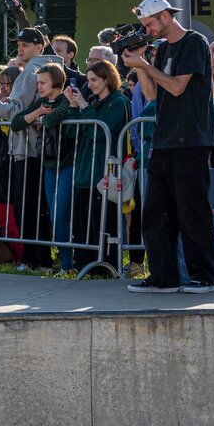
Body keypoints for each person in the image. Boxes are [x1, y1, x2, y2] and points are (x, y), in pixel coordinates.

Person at [121, 0, 214, 293]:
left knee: (192, 210)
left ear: (165, 16)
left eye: (149, 23)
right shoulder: (161, 50)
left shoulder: (195, 42)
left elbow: (177, 87)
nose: (147, 29)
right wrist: (138, 65)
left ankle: (203, 276)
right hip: (164, 139)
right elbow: (152, 95)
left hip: (192, 138)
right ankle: (163, 277)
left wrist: (145, 65)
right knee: (155, 212)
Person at [0, 28, 62, 269]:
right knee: (37, 208)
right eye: (19, 44)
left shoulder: (32, 70)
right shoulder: (48, 67)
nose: (20, 49)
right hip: (37, 149)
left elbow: (15, 110)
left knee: (28, 208)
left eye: (26, 45)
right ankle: (42, 260)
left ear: (39, 47)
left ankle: (34, 260)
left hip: (28, 149)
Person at [63, 59, 130, 270]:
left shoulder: (118, 101)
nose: (90, 84)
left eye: (94, 80)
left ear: (107, 78)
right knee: (83, 223)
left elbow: (100, 132)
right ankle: (84, 263)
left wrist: (83, 106)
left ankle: (105, 266)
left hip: (103, 173)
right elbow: (73, 133)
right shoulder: (93, 102)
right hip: (85, 172)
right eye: (89, 80)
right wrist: (74, 107)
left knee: (103, 222)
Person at [10, 64, 75, 271]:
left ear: (55, 82)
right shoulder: (41, 102)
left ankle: (67, 263)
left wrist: (42, 119)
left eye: (43, 83)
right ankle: (63, 263)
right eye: (38, 83)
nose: (39, 86)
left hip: (66, 163)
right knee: (52, 214)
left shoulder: (65, 99)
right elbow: (16, 123)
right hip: (48, 164)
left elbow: (58, 115)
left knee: (59, 214)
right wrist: (38, 112)